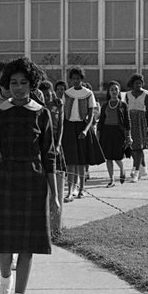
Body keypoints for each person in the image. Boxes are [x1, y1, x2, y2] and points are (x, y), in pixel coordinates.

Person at [0, 57, 60, 294]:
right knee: (4, 243)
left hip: (34, 183)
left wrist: (55, 196)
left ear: (32, 84)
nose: (19, 88)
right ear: (6, 85)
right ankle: (5, 279)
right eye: (13, 82)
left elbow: (50, 156)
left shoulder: (41, 113)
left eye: (24, 82)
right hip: (7, 180)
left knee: (27, 246)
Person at [61, 66, 105, 201]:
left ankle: (81, 189)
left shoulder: (88, 93)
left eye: (78, 78)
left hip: (82, 127)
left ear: (81, 79)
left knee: (81, 161)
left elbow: (91, 115)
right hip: (68, 127)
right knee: (70, 161)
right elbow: (63, 113)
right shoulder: (67, 93)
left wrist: (85, 130)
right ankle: (70, 191)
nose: (75, 81)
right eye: (73, 78)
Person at [39, 80, 66, 238]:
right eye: (45, 95)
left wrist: (58, 145)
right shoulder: (39, 108)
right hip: (43, 149)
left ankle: (56, 227)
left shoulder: (58, 105)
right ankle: (44, 226)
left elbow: (61, 127)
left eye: (50, 94)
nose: (48, 97)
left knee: (58, 184)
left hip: (56, 147)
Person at [97, 81, 132, 187]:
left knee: (117, 157)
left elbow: (127, 121)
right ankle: (111, 179)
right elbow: (101, 122)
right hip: (106, 133)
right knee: (108, 157)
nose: (114, 91)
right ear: (109, 92)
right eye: (112, 89)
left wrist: (129, 136)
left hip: (118, 133)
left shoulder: (123, 105)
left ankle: (122, 169)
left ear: (119, 91)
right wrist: (98, 135)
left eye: (116, 89)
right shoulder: (105, 106)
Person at [125, 73, 148, 182]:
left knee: (139, 147)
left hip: (141, 120)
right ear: (132, 84)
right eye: (136, 83)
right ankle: (141, 167)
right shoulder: (127, 94)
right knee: (132, 146)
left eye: (140, 83)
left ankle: (136, 171)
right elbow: (126, 109)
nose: (138, 85)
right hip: (131, 120)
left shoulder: (146, 94)